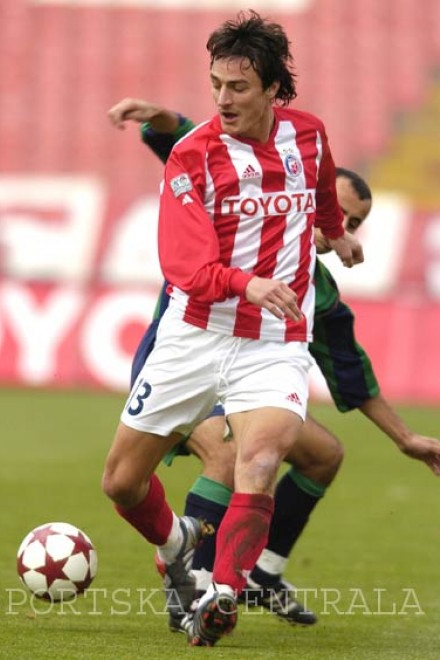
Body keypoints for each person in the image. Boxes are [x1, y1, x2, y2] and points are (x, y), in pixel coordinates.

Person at [108, 95, 440, 634]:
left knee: (323, 455)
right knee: (221, 454)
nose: (341, 225)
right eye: (337, 209)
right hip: (185, 359)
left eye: (354, 221)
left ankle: (259, 572)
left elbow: (350, 372)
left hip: (254, 367)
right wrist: (156, 117)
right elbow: (185, 141)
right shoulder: (241, 190)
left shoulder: (316, 289)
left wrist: (405, 438)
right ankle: (188, 579)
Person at [102, 10, 364, 647]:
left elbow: (321, 193)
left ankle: (220, 593)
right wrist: (250, 284)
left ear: (274, 89)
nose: (222, 98)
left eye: (239, 87)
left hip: (273, 340)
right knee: (122, 483)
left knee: (261, 458)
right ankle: (177, 546)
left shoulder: (309, 136)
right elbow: (186, 268)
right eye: (216, 84)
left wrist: (335, 233)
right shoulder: (192, 156)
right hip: (195, 333)